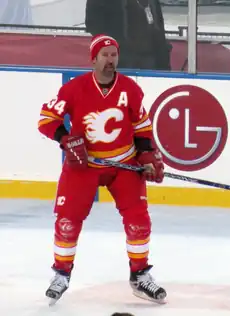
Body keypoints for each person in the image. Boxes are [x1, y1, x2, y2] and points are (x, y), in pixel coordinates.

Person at [38, 34, 167, 305]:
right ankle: (61, 273)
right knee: (67, 220)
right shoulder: (75, 88)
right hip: (85, 164)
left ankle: (140, 274)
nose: (110, 60)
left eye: (114, 55)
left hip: (124, 163)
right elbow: (47, 118)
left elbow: (141, 126)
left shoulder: (131, 89)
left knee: (138, 220)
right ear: (93, 59)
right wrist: (66, 138)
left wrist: (145, 155)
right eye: (105, 55)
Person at [85, 0, 171, 70]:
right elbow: (93, 24)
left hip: (150, 60)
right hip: (121, 60)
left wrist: (163, 62)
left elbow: (159, 26)